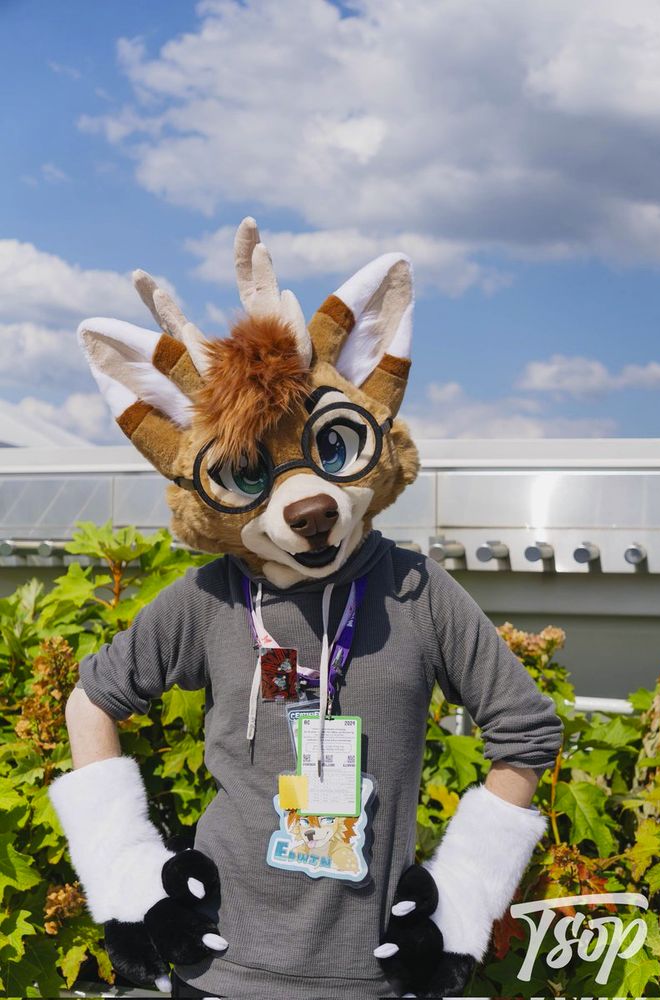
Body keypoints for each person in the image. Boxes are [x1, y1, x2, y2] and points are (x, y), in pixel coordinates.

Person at [50, 219, 563, 999]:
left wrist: (458, 901)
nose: (307, 504)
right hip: (214, 969)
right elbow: (92, 700)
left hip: (373, 975)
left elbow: (525, 733)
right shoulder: (209, 599)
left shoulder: (417, 592)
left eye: (328, 450)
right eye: (252, 470)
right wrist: (129, 878)